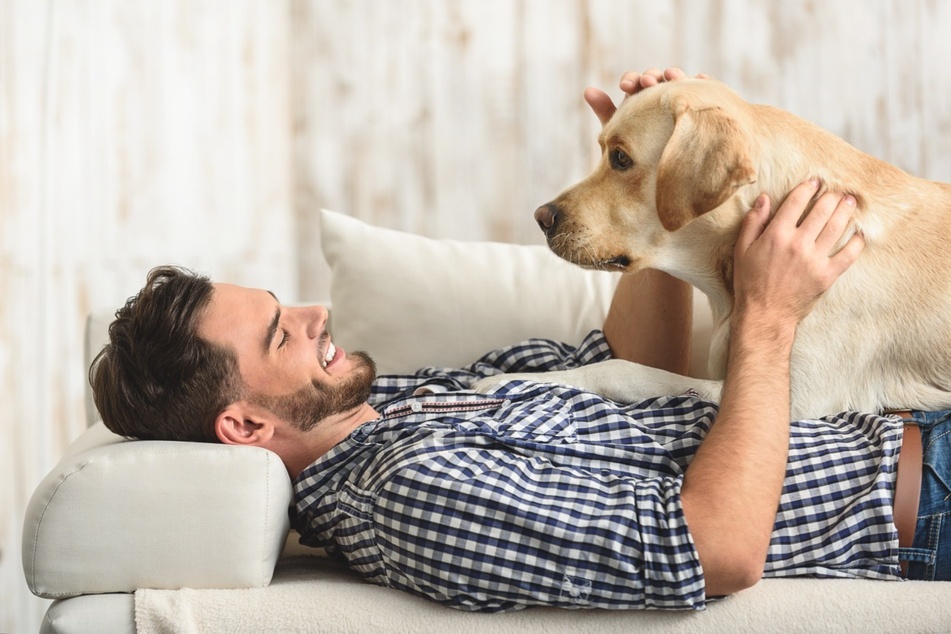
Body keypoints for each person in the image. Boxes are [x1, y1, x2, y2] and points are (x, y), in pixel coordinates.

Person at [90, 68, 948, 612]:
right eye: (281, 332)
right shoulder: (411, 493)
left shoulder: (403, 401)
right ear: (242, 427)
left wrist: (651, 196)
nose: (316, 316)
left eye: (288, 305)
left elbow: (634, 372)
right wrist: (767, 316)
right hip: (925, 496)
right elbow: (714, 550)